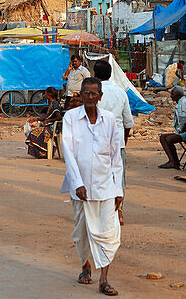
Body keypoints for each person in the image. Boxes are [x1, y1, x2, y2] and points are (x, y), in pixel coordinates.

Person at [61, 77, 123, 296]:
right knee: (82, 232)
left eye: (93, 93)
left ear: (100, 96)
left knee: (108, 233)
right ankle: (86, 267)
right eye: (86, 93)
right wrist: (77, 183)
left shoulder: (110, 120)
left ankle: (104, 279)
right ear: (81, 94)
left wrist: (119, 190)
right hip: (81, 189)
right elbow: (68, 152)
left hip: (106, 186)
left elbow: (116, 157)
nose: (89, 97)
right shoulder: (70, 118)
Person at [94, 59, 132, 224]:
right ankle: (119, 213)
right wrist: (124, 138)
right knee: (118, 178)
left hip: (96, 142)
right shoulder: (121, 92)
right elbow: (128, 122)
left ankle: (99, 213)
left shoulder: (92, 93)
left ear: (95, 75)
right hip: (117, 142)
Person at [157, 87, 186, 169]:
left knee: (169, 139)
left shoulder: (184, 102)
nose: (171, 96)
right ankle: (173, 161)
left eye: (172, 94)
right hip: (182, 130)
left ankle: (174, 162)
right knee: (162, 138)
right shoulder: (179, 103)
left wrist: (180, 132)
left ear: (178, 94)